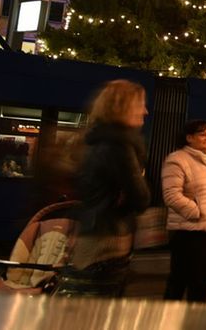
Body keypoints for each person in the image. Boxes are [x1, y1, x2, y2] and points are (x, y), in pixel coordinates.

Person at [54, 79, 151, 297]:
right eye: (140, 104)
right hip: (108, 238)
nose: (145, 111)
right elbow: (142, 198)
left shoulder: (95, 141)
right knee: (97, 303)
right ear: (123, 107)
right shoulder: (119, 146)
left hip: (93, 231)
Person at [161, 119, 206, 302]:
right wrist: (197, 212)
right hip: (188, 232)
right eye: (202, 134)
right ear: (189, 138)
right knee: (179, 281)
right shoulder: (177, 159)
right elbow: (171, 195)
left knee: (200, 284)